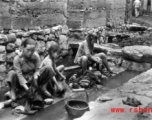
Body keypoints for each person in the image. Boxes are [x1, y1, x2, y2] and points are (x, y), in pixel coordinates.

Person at [4, 38, 54, 111]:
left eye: (32, 50)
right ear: (22, 48)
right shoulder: (17, 59)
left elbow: (38, 69)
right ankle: (13, 93)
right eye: (28, 50)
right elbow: (19, 75)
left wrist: (36, 77)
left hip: (32, 80)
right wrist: (28, 90)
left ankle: (43, 88)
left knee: (48, 68)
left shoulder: (36, 56)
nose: (30, 53)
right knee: (11, 73)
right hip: (22, 82)